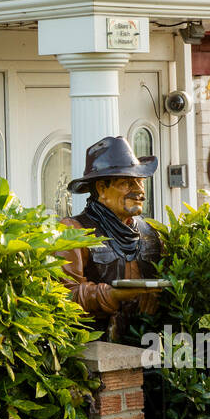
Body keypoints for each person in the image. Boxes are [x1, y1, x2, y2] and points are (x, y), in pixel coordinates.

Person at [57, 137, 163, 342]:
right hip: (96, 350)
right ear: (102, 189)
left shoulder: (149, 232)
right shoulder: (73, 231)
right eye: (126, 182)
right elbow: (64, 297)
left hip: (148, 345)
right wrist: (111, 295)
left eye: (140, 181)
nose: (140, 191)